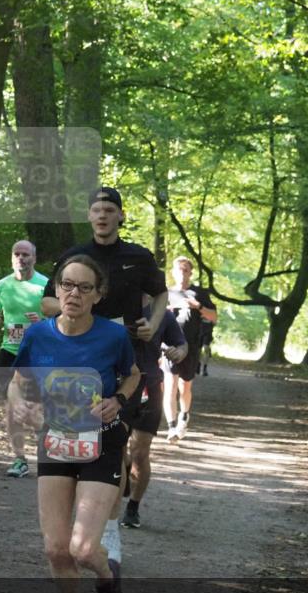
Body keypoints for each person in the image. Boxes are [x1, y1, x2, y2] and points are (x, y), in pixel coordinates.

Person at [11, 255, 141, 593]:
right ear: (56, 288)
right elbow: (18, 382)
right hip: (56, 441)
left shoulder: (112, 337)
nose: (74, 294)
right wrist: (21, 405)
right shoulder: (39, 336)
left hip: (100, 442)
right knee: (55, 547)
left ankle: (106, 579)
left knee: (83, 549)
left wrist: (118, 399)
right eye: (67, 284)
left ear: (98, 296)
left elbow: (134, 375)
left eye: (85, 287)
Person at [41, 187, 167, 568]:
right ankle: (81, 522)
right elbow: (47, 301)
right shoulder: (75, 258)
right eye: (96, 209)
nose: (102, 215)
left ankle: (109, 532)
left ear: (120, 216)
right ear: (89, 216)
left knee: (118, 446)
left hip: (127, 367)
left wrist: (153, 325)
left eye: (109, 209)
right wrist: (81, 317)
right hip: (79, 368)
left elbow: (160, 295)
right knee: (76, 447)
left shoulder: (138, 257)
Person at [0, 240, 48, 478]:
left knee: (34, 408)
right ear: (12, 258)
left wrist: (43, 324)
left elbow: (62, 322)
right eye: (17, 254)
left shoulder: (45, 285)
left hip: (38, 353)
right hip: (9, 350)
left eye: (26, 254)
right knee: (11, 407)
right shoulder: (1, 286)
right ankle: (19, 459)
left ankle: (46, 448)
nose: (21, 258)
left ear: (34, 257)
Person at [121, 302, 187, 529]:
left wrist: (178, 352)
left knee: (140, 452)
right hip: (117, 387)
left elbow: (182, 344)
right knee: (117, 451)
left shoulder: (163, 315)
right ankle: (123, 474)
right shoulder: (113, 308)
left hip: (149, 386)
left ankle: (133, 508)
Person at [163, 256, 217, 442]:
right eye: (179, 269)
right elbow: (154, 318)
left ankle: (184, 415)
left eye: (186, 270)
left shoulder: (199, 293)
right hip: (170, 346)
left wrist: (199, 306)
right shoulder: (167, 293)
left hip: (191, 346)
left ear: (191, 273)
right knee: (170, 386)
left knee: (184, 387)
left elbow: (214, 317)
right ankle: (171, 428)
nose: (182, 273)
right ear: (173, 272)